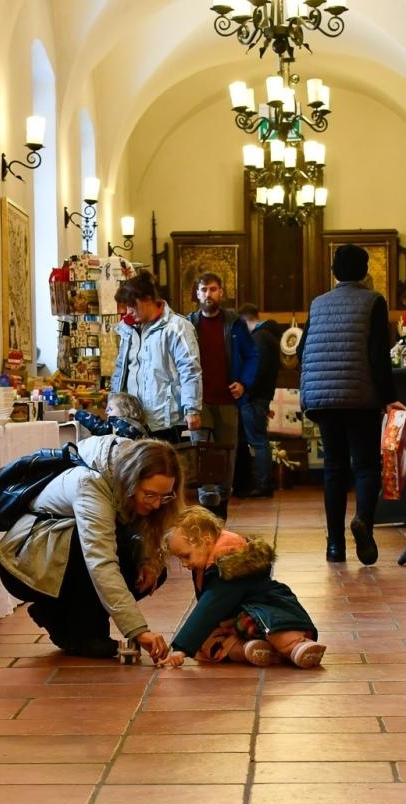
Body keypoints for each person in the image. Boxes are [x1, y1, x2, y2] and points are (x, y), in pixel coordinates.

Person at [0, 436, 182, 660]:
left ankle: (65, 617)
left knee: (153, 572)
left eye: (165, 496)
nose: (156, 504)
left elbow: (143, 536)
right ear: (130, 481)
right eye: (149, 494)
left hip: (61, 559)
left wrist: (149, 561)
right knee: (91, 548)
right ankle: (69, 620)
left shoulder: (124, 465)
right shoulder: (90, 484)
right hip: (25, 565)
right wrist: (138, 631)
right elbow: (100, 561)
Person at [299, 243, 398, 566]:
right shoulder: (373, 301)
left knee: (334, 469)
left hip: (323, 398)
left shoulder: (318, 304)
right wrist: (388, 397)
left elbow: (303, 351)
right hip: (360, 397)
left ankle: (334, 545)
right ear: (365, 271)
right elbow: (378, 354)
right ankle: (363, 521)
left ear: (334, 272)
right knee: (366, 466)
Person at [158, 506, 325, 669]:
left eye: (186, 556)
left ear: (206, 541)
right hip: (237, 621)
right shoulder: (208, 563)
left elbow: (209, 608)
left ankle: (298, 646)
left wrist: (181, 648)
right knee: (207, 642)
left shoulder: (229, 566)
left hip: (265, 610)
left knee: (267, 624)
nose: (184, 564)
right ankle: (248, 649)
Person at [109, 272, 201, 443]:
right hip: (133, 421)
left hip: (167, 420)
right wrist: (111, 406)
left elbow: (190, 370)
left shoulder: (177, 328)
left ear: (147, 298)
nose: (128, 311)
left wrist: (191, 409)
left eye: (132, 305)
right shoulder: (128, 330)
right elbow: (120, 371)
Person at [186, 274, 256, 463]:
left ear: (221, 292)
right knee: (201, 455)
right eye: (204, 289)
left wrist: (243, 382)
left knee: (227, 455)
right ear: (198, 294)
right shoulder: (189, 325)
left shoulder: (235, 324)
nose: (208, 294)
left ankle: (224, 493)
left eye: (213, 289)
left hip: (227, 400)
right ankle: (206, 494)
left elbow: (252, 355)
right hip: (199, 401)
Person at [233, 303, 280, 497]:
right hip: (260, 396)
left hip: (254, 397)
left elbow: (257, 371)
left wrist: (247, 390)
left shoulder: (259, 338)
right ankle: (260, 483)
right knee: (258, 440)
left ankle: (263, 484)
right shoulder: (268, 336)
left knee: (258, 441)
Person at [74, 391, 148, 439]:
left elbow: (98, 426)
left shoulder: (120, 425)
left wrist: (77, 413)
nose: (106, 412)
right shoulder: (139, 426)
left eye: (110, 409)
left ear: (125, 410)